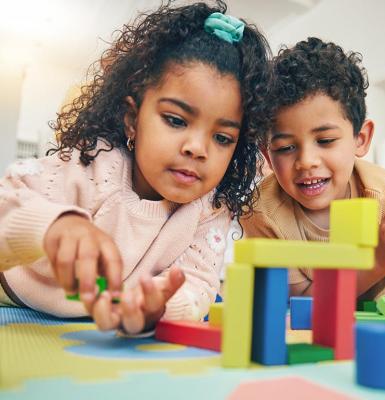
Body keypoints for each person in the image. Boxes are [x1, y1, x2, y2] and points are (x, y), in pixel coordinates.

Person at [0, 1, 273, 334]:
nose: (197, 148)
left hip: (92, 330)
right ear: (132, 119)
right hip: (13, 299)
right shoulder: (92, 165)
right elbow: (7, 203)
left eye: (222, 138)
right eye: (175, 120)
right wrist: (55, 226)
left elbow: (198, 283)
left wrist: (157, 306)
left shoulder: (211, 207)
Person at [241, 37, 385, 301]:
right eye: (284, 148)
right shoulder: (263, 212)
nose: (306, 161)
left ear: (361, 139)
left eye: (325, 141)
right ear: (267, 155)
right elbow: (303, 301)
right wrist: (379, 260)